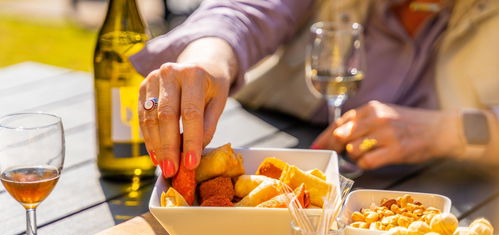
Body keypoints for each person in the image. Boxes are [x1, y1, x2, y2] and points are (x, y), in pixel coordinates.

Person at [131, 0, 499, 178]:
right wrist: (208, 60)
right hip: (286, 146)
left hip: (456, 190)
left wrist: (450, 131)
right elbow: (243, 12)